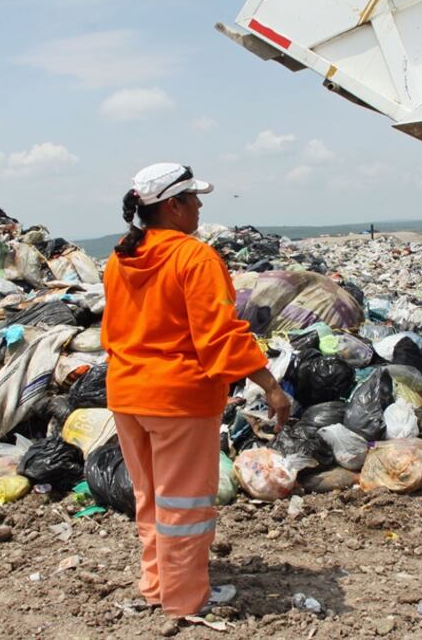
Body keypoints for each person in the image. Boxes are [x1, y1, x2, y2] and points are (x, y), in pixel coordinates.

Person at [101, 162, 291, 619]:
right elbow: (220, 335)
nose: (201, 206)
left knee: (150, 497)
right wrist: (270, 385)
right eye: (194, 198)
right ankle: (185, 600)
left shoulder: (121, 258)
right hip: (178, 399)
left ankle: (156, 585)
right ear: (173, 206)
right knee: (183, 503)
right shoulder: (194, 258)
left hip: (127, 393)